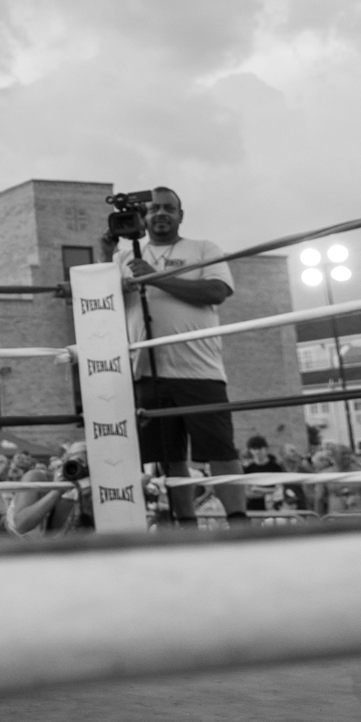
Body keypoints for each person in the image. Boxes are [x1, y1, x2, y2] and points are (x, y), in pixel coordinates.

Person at [106, 187, 243, 527]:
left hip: (201, 371)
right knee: (169, 458)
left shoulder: (202, 248)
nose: (160, 214)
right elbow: (106, 309)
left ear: (181, 215)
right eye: (153, 209)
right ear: (143, 217)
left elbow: (216, 291)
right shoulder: (123, 259)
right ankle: (187, 527)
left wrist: (156, 278)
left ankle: (240, 525)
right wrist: (107, 263)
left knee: (220, 453)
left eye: (168, 208)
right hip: (147, 372)